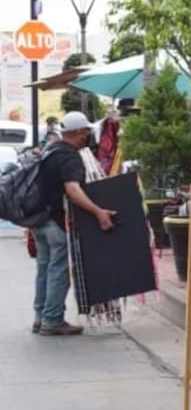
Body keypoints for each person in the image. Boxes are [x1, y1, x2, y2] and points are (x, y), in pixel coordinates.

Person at [32, 111, 117, 336]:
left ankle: (40, 317)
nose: (89, 136)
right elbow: (73, 189)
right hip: (55, 223)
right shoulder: (69, 156)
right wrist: (98, 212)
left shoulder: (49, 150)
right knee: (58, 270)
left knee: (44, 268)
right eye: (87, 132)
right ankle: (52, 319)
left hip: (38, 220)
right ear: (79, 133)